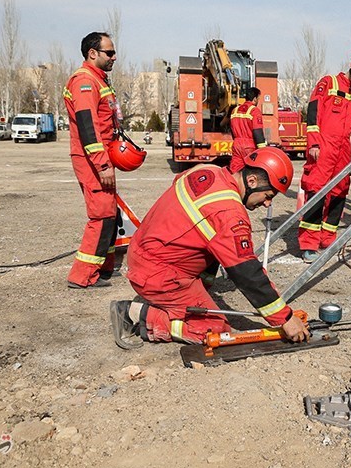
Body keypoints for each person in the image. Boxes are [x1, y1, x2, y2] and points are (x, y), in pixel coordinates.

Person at [109, 147, 311, 349]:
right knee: (215, 330)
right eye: (268, 195)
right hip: (157, 274)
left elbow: (178, 182)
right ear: (252, 181)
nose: (267, 204)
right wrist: (285, 318)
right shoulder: (228, 213)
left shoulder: (207, 170)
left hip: (144, 251)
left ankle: (187, 295)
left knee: (209, 242)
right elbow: (247, 272)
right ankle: (135, 314)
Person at [297, 50, 351, 263]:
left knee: (339, 191)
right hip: (323, 147)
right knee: (316, 190)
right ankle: (309, 244)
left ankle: (327, 240)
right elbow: (313, 112)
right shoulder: (329, 83)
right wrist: (314, 142)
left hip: (342, 151)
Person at [63, 31, 123, 289]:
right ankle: (82, 276)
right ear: (92, 53)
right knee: (102, 214)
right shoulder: (84, 82)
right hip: (92, 159)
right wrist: (102, 164)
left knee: (111, 213)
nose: (114, 57)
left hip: (100, 157)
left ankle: (103, 267)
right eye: (109, 52)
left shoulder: (98, 80)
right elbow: (88, 127)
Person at [229, 86, 267, 173]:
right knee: (252, 171)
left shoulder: (235, 110)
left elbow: (232, 129)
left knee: (235, 170)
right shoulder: (254, 111)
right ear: (255, 99)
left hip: (237, 144)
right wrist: (262, 149)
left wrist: (237, 140)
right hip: (249, 145)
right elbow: (257, 131)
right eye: (258, 98)